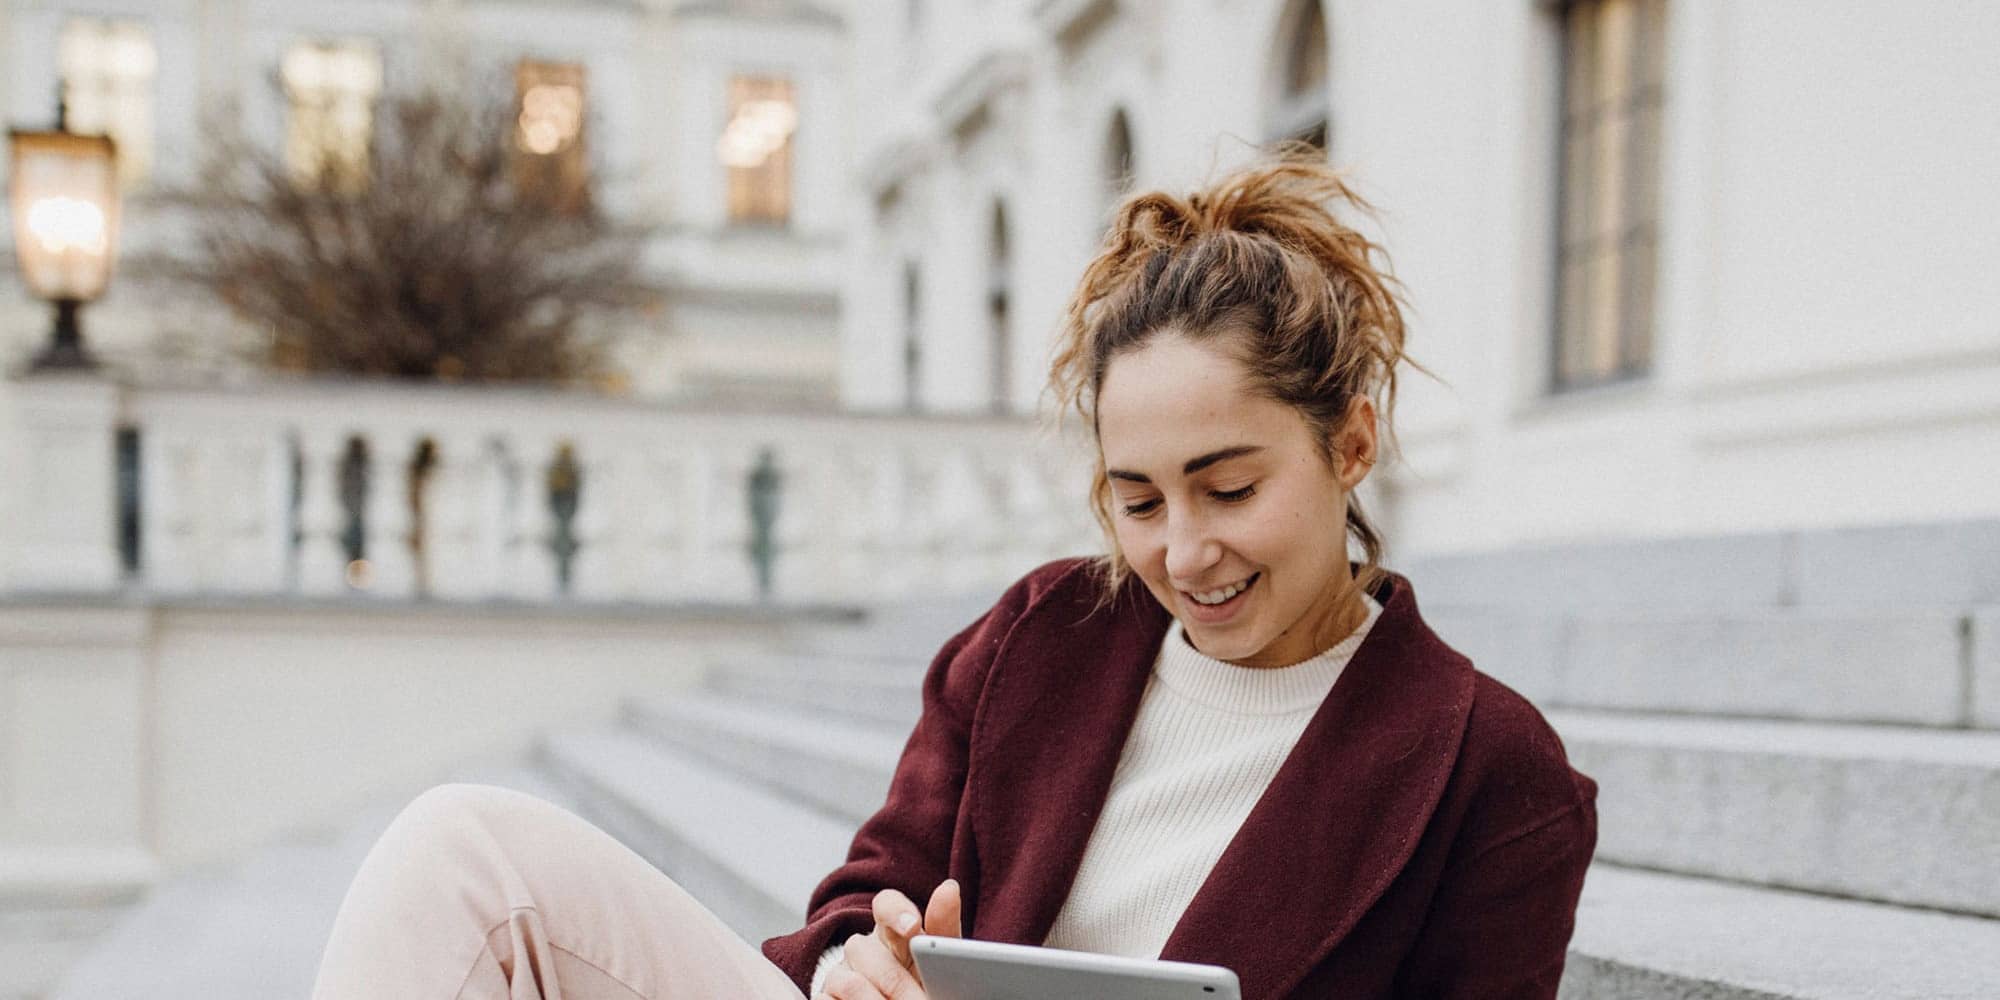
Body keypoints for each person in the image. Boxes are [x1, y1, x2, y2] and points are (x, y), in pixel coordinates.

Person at [310, 152, 1597, 1000]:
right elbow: (865, 888)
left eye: (1230, 485)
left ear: (1350, 441)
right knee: (463, 852)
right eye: (1135, 500)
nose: (1182, 553)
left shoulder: (1488, 772)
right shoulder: (1047, 632)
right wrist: (850, 965)